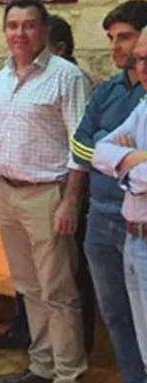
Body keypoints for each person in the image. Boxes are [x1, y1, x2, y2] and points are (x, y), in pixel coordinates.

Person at [0, 0, 90, 383]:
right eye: (13, 26)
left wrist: (71, 201)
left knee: (58, 291)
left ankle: (69, 373)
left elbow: (82, 146)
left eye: (29, 25)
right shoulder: (4, 76)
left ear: (44, 31)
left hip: (49, 196)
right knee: (28, 287)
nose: (20, 33)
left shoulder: (66, 76)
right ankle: (41, 366)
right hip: (10, 194)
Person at [69, 0, 147, 383]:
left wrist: (112, 151)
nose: (116, 47)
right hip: (101, 216)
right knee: (115, 314)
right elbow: (81, 147)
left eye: (125, 38)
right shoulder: (108, 90)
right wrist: (127, 157)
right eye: (112, 38)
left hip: (138, 220)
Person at [94, 27, 147, 381]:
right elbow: (100, 150)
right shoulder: (144, 107)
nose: (143, 66)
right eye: (141, 58)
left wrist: (124, 165)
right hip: (134, 237)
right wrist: (134, 160)